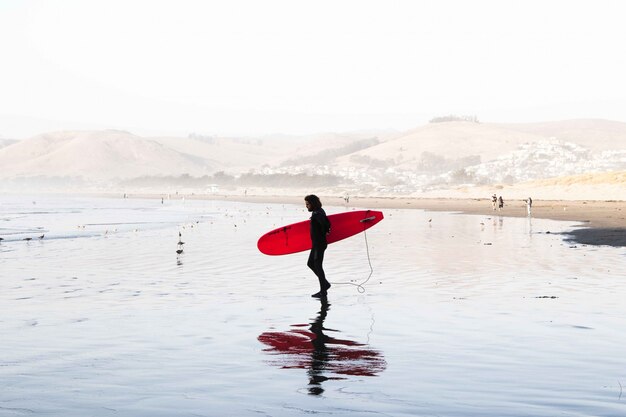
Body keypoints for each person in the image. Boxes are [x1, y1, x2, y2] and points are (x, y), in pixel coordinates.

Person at [305, 194, 331, 298]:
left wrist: (326, 230)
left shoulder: (317, 214)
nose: (306, 206)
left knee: (318, 266)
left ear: (312, 204)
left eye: (307, 204)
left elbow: (325, 223)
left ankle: (323, 291)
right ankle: (325, 284)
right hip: (316, 244)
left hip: (319, 244)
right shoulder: (319, 212)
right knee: (310, 263)